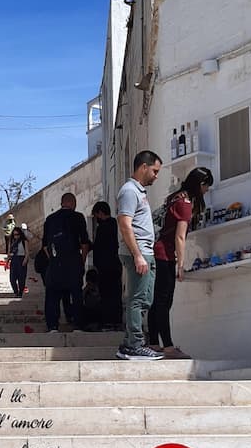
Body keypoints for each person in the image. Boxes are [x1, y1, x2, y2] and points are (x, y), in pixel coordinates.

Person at [148, 166, 213, 358]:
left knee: (157, 301)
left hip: (157, 251)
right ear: (200, 184)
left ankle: (154, 342)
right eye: (206, 186)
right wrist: (181, 264)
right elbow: (180, 237)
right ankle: (167, 345)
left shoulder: (174, 197)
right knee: (164, 301)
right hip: (165, 255)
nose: (207, 191)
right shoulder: (185, 204)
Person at [116, 150, 163, 360]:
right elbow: (125, 225)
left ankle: (128, 344)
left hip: (146, 252)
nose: (156, 175)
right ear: (143, 167)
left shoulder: (139, 192)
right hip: (138, 253)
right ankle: (135, 344)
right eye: (154, 170)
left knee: (145, 299)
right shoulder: (129, 191)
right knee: (137, 299)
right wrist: (137, 255)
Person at [41, 192, 90, 332]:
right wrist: (82, 260)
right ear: (72, 203)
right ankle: (78, 324)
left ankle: (52, 326)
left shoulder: (50, 219)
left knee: (52, 295)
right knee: (76, 293)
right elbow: (84, 243)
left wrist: (53, 259)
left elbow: (44, 245)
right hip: (73, 260)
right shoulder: (78, 217)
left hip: (56, 262)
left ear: (62, 203)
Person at [90, 200, 121, 330]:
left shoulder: (103, 227)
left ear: (100, 213)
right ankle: (116, 321)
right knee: (115, 293)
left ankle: (108, 321)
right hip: (114, 264)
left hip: (105, 266)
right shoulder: (115, 224)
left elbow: (99, 247)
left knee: (106, 294)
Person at [8, 223, 30, 297]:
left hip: (21, 258)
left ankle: (20, 292)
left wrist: (25, 260)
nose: (16, 236)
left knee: (21, 278)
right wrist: (7, 261)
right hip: (14, 259)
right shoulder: (12, 242)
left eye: (17, 234)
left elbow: (27, 252)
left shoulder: (24, 241)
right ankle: (15, 292)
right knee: (12, 278)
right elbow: (9, 253)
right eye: (14, 235)